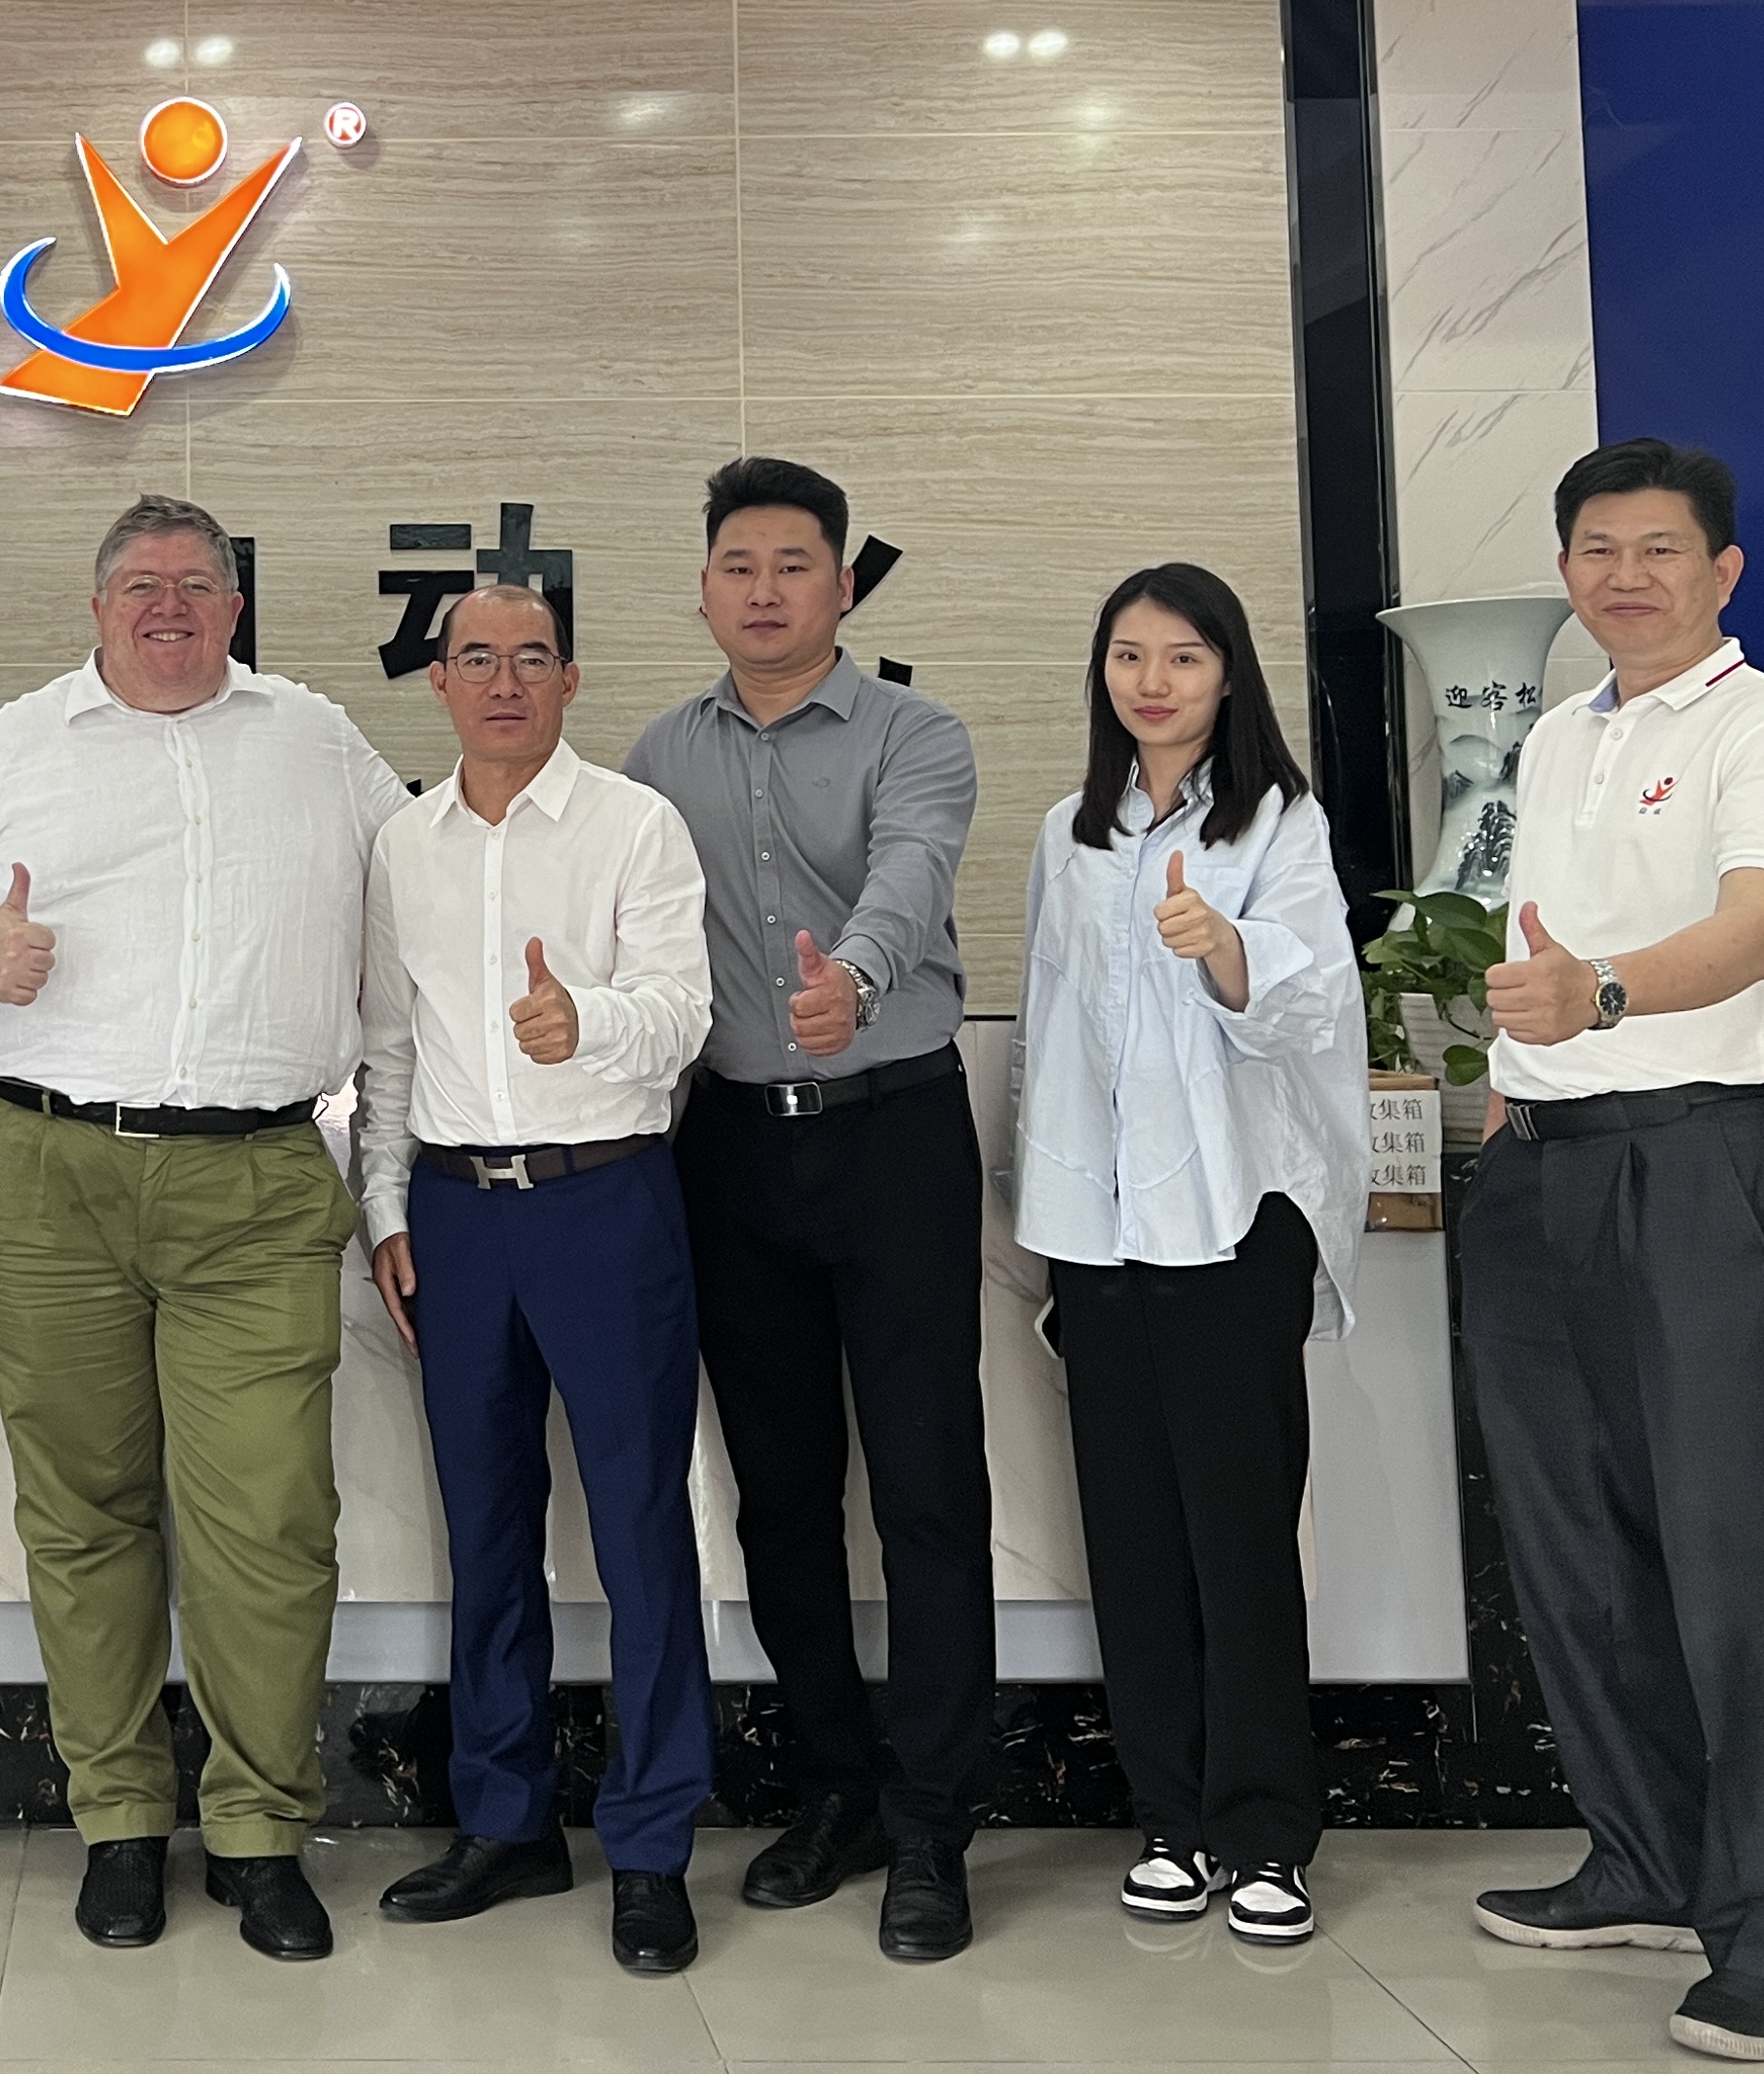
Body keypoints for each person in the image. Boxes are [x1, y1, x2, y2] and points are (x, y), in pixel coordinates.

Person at [0, 493, 407, 1964]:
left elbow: (416, 907)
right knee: (84, 1510)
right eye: (141, 584)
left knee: (269, 1519)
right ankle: (117, 1819)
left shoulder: (317, 741)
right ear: (98, 608)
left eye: (196, 584)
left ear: (235, 607)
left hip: (258, 1182)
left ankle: (259, 1832)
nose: (169, 604)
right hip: (44, 1174)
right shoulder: (13, 748)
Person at [1460, 439, 1764, 2065]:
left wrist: (1605, 996)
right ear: (1566, 569)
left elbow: (1760, 927)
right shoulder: (1563, 734)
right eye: (1596, 550)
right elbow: (1532, 955)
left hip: (1700, 1162)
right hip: (1544, 1171)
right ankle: (1645, 1859)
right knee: (1579, 1547)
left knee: (1728, 1555)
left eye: (1660, 549)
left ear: (1722, 569)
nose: (1625, 577)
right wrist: (1516, 1091)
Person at [621, 454, 989, 1961]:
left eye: (793, 566)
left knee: (926, 1488)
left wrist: (860, 976)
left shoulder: (919, 733)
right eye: (738, 567)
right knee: (778, 1494)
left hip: (895, 1136)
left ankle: (936, 1822)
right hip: (730, 1152)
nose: (764, 592)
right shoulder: (658, 755)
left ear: (842, 584)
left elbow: (909, 873)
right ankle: (838, 1785)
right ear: (704, 589)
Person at [355, 583, 715, 1977]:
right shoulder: (403, 844)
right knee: (487, 1528)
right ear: (439, 683)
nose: (503, 680)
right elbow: (390, 1047)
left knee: (639, 1528)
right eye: (476, 658)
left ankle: (654, 1842)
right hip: (455, 1218)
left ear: (571, 679)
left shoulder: (635, 825)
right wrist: (387, 1205)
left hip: (606, 1202)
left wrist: (588, 1022)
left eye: (531, 658)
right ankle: (504, 1822)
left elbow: (684, 1013)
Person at [1008, 563, 1366, 1949]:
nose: (1151, 683)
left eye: (1184, 658)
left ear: (1229, 674)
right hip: (1098, 1234)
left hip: (1230, 1221)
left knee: (1241, 1537)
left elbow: (1309, 1004)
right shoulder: (1070, 832)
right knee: (1133, 1538)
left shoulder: (1280, 821)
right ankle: (1168, 1818)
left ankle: (1265, 1834)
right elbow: (1046, 1028)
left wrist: (1224, 948)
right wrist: (1042, 1206)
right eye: (1128, 657)